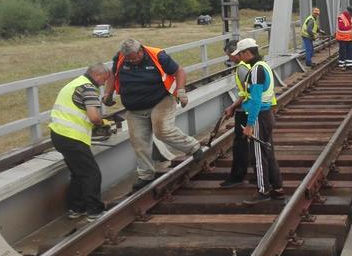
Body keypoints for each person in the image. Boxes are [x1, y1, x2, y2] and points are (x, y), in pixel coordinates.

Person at [103, 38, 204, 191]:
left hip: (160, 100)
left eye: (133, 58)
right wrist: (108, 94)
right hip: (134, 108)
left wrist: (181, 91)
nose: (130, 61)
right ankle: (146, 175)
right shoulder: (120, 58)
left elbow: (179, 71)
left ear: (140, 51)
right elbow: (113, 75)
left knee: (162, 131)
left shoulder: (158, 55)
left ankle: (193, 147)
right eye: (128, 59)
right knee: (138, 141)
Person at [220, 38, 283, 202]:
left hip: (259, 116)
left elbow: (255, 101)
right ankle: (277, 187)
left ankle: (263, 191)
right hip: (266, 114)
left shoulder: (256, 70)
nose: (239, 57)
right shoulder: (264, 65)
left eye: (240, 54)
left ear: (247, 52)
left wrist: (249, 125)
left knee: (259, 156)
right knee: (268, 153)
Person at [49, 63, 110, 222]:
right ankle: (94, 211)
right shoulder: (88, 88)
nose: (103, 83)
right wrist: (102, 123)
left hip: (58, 134)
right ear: (97, 75)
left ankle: (77, 208)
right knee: (91, 173)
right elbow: (94, 117)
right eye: (104, 79)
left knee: (78, 173)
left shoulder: (74, 83)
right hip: (72, 137)